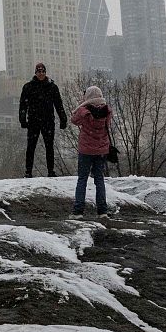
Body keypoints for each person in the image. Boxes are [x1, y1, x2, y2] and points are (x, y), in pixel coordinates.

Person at [18, 62, 69, 177]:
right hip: (33, 121)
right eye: (38, 71)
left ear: (45, 73)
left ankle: (50, 171)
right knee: (31, 146)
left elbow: (58, 104)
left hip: (48, 121)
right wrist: (22, 119)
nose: (41, 73)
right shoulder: (28, 87)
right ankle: (28, 171)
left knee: (49, 146)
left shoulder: (52, 87)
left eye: (42, 71)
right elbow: (23, 105)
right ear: (35, 73)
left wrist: (63, 119)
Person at [70, 86, 114, 217]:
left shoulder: (84, 111)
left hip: (86, 150)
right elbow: (107, 125)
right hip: (101, 150)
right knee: (99, 179)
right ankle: (102, 211)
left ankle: (78, 211)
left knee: (82, 179)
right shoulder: (107, 110)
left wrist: (81, 105)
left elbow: (74, 120)